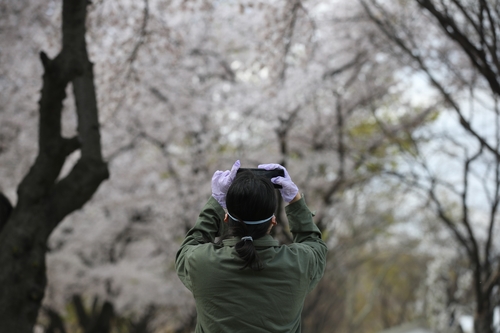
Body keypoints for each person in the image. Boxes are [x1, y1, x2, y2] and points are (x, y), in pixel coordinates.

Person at [175, 161, 327, 333]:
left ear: (226, 220)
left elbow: (190, 245)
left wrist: (216, 201)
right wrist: (295, 201)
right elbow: (314, 244)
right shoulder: (300, 263)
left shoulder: (200, 262)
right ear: (273, 221)